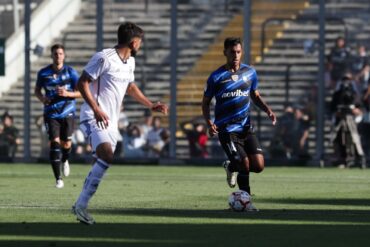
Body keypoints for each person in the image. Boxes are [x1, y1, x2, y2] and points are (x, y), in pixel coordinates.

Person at [72, 22, 168, 225]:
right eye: (140, 42)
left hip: (111, 123)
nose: (140, 45)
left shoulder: (130, 62)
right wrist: (97, 109)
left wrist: (150, 104)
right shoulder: (103, 57)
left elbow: (130, 87)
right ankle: (80, 205)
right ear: (134, 42)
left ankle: (81, 202)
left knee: (102, 161)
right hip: (92, 116)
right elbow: (82, 83)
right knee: (107, 154)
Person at [202, 37, 276, 211]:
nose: (235, 55)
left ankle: (230, 165)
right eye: (232, 52)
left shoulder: (250, 72)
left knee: (258, 166)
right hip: (227, 130)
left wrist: (268, 110)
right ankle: (247, 203)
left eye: (238, 52)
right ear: (225, 52)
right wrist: (208, 122)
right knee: (244, 164)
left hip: (246, 128)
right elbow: (205, 102)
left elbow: (255, 95)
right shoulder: (216, 77)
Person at [34, 44, 81, 188]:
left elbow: (81, 92)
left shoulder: (71, 72)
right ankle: (58, 179)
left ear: (64, 56)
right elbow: (37, 90)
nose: (58, 56)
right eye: (55, 53)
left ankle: (65, 160)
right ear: (51, 55)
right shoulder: (43, 73)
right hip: (51, 113)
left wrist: (68, 94)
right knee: (54, 142)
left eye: (60, 53)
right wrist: (43, 99)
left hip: (68, 112)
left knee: (66, 143)